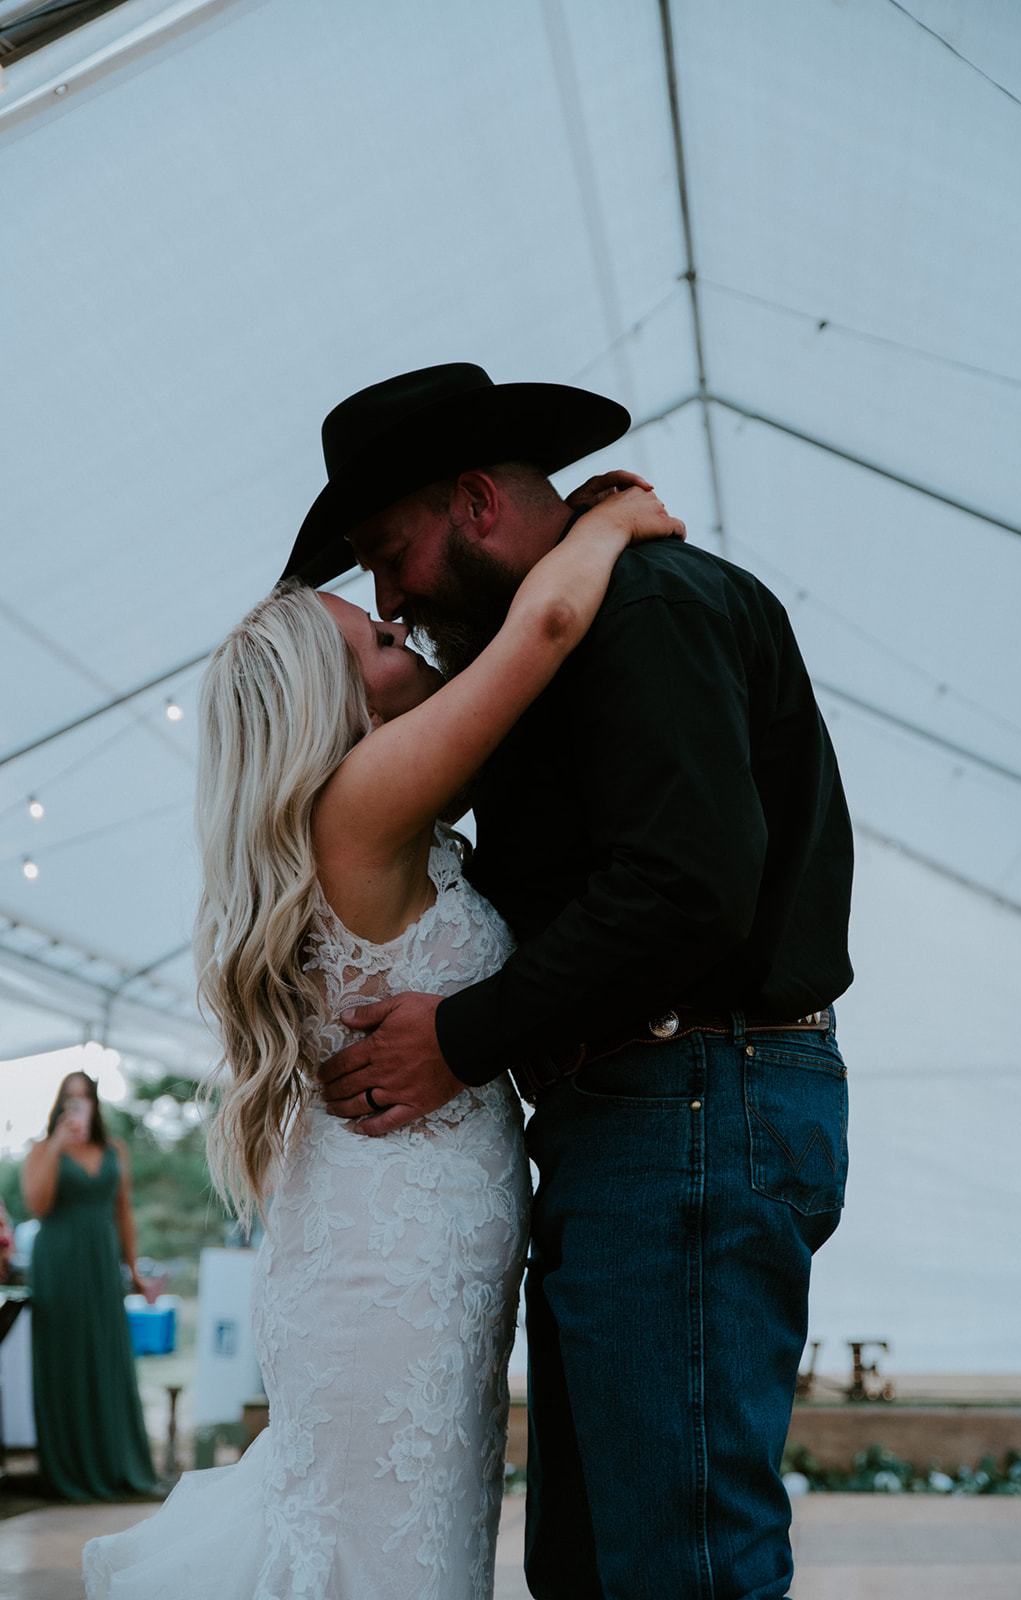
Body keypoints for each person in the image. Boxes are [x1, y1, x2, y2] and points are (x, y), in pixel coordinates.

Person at [297, 363, 854, 1600]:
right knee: (598, 1568)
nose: (388, 597)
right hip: (646, 1117)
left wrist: (467, 1034)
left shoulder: (645, 611)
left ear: (479, 503)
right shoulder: (560, 634)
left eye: (392, 556)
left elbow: (685, 886)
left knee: (680, 1564)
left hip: (695, 1095)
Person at [82, 464, 682, 1598]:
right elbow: (548, 625)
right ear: (339, 704)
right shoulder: (360, 803)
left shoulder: (374, 820)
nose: (408, 636)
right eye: (382, 645)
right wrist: (610, 525)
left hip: (407, 1270)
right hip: (387, 1275)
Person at [21, 1071, 157, 1501]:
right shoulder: (42, 1150)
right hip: (58, 1264)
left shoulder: (114, 1149)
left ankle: (116, 1465)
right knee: (65, 1361)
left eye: (84, 1099)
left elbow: (124, 1215)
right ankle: (69, 1471)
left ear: (96, 1104)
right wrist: (58, 1144)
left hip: (101, 1266)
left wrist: (134, 1270)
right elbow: (37, 1206)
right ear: (59, 1105)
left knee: (105, 1358)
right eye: (69, 1099)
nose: (76, 1107)